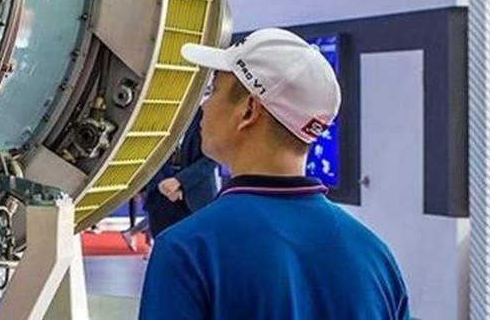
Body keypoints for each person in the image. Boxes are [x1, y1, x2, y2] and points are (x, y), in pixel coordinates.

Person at [138, 28, 409, 320]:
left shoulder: (187, 251)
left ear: (249, 110)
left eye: (213, 90)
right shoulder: (376, 258)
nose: (204, 105)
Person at [140, 108, 217, 238]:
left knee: (197, 248)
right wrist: (162, 183)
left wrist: (179, 181)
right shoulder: (153, 114)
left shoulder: (208, 114)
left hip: (196, 198)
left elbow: (212, 158)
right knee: (163, 246)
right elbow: (144, 151)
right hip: (160, 198)